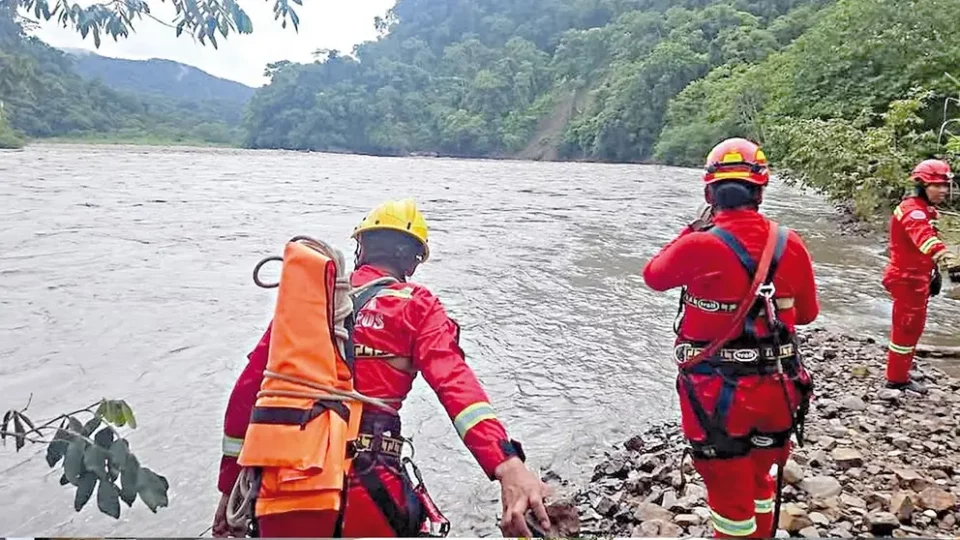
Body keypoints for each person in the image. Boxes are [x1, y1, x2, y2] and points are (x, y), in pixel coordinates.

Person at [211, 199, 550, 538]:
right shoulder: (416, 305)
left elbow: (248, 393)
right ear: (413, 262)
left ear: (360, 248)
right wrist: (507, 465)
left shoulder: (310, 303)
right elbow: (455, 385)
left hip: (284, 486)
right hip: (370, 483)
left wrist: (230, 489)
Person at [642, 138, 819, 538]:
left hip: (716, 398)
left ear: (710, 192)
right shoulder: (789, 243)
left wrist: (694, 226)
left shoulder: (698, 242)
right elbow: (807, 315)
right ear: (760, 190)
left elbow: (653, 275)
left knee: (729, 502)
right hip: (779, 390)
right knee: (760, 480)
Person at [882, 159, 960, 394]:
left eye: (946, 185)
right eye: (938, 185)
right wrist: (945, 257)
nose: (944, 190)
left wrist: (934, 271)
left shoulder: (926, 209)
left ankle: (902, 368)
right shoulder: (912, 210)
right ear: (922, 185)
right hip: (906, 279)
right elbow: (923, 238)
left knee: (914, 328)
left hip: (918, 278)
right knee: (906, 328)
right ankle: (896, 379)